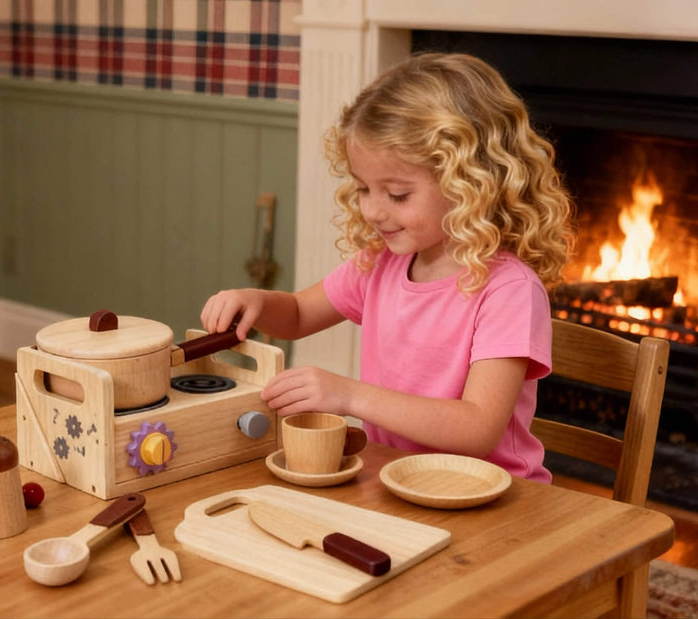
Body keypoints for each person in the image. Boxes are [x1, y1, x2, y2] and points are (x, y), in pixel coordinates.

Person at [200, 53, 573, 482]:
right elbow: (300, 314)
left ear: (470, 184)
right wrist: (255, 301)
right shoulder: (382, 261)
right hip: (396, 480)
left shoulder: (508, 290)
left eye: (397, 194)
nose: (374, 210)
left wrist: (350, 396)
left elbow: (477, 430)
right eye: (363, 188)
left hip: (491, 496)